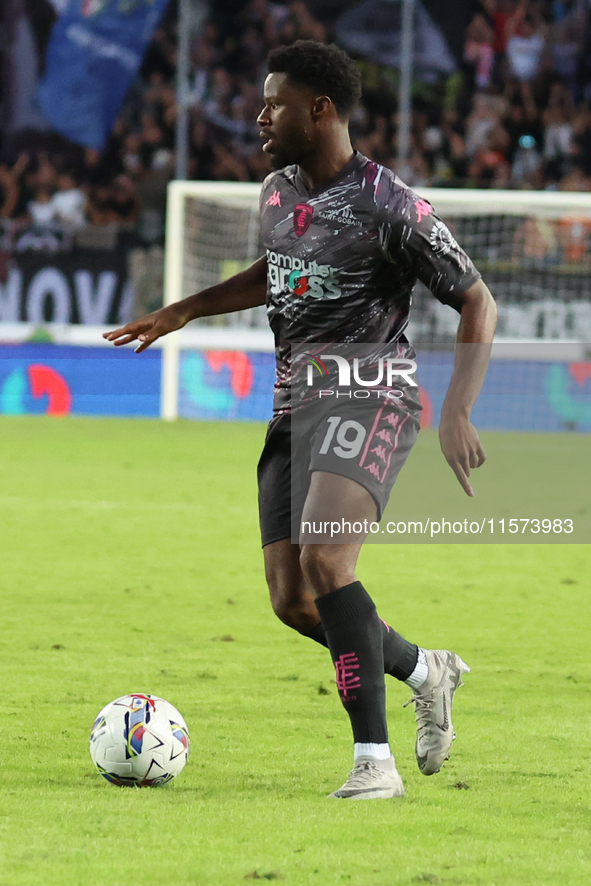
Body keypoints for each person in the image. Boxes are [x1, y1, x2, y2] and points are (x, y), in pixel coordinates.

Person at [104, 40, 497, 801]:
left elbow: (475, 298)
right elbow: (277, 269)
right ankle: (425, 670)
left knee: (326, 563)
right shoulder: (277, 191)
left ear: (320, 109)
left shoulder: (391, 205)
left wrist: (457, 406)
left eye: (273, 103)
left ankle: (372, 764)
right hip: (293, 404)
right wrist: (184, 308)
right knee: (292, 599)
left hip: (371, 391)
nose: (258, 116)